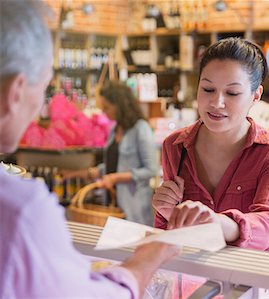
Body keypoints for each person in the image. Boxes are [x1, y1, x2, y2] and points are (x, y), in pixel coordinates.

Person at [0, 1, 178, 298]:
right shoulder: (21, 210)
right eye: (43, 88)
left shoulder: (138, 129)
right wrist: (148, 258)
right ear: (16, 92)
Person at [153, 37, 269, 253]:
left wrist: (216, 222)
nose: (216, 103)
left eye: (232, 93)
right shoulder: (175, 146)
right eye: (208, 89)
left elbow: (266, 226)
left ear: (256, 95)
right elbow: (170, 232)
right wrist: (166, 212)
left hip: (255, 278)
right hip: (195, 277)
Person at [63, 80, 158, 226]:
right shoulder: (114, 130)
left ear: (120, 105)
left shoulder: (141, 129)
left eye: (107, 108)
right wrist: (77, 174)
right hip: (113, 205)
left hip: (134, 208)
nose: (104, 113)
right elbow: (110, 167)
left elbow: (151, 169)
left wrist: (115, 178)